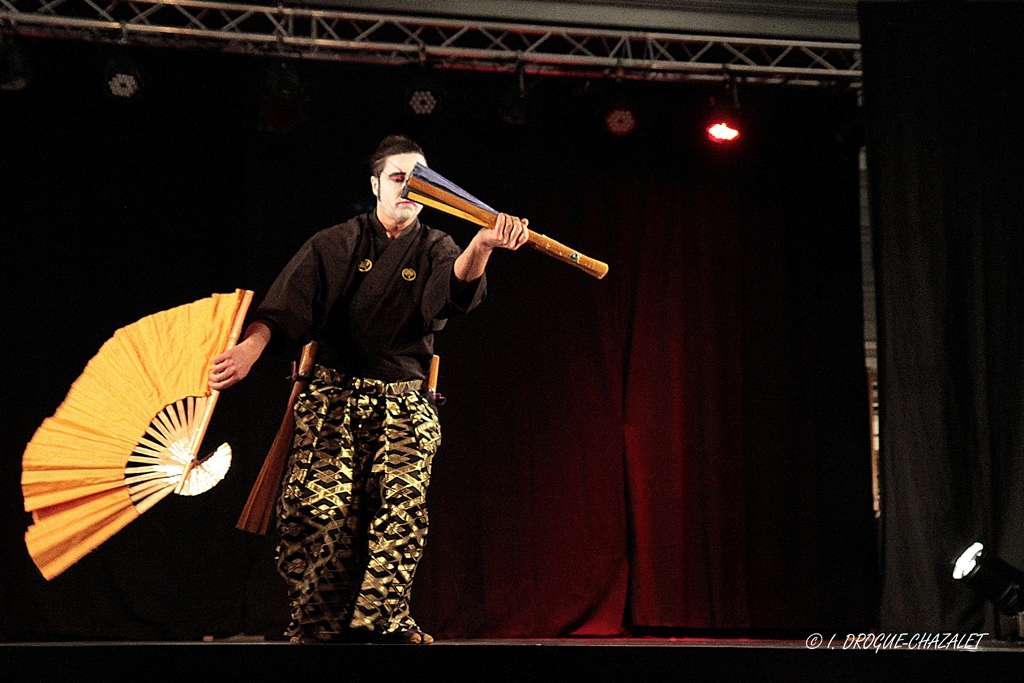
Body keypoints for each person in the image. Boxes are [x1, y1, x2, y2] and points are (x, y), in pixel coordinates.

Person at [209, 135, 529, 644]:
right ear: (376, 184)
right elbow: (285, 311)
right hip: (332, 398)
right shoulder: (334, 243)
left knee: (400, 510)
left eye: (420, 177)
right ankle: (317, 624)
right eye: (399, 176)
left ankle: (382, 626)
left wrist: (482, 244)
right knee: (320, 513)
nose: (409, 186)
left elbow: (453, 292)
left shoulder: (438, 246)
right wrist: (249, 349)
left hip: (402, 400)